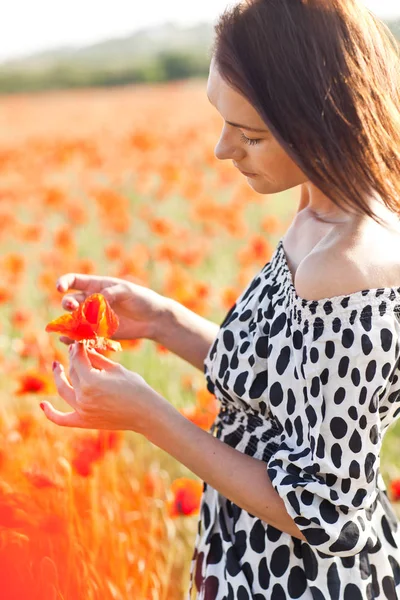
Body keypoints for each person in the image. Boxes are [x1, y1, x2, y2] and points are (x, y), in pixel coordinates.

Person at [41, 0, 400, 598]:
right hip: (249, 561)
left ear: (319, 121)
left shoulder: (349, 268)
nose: (223, 150)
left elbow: (325, 513)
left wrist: (150, 416)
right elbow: (284, 395)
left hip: (301, 582)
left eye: (251, 135)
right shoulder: (318, 215)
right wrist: (165, 322)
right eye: (223, 120)